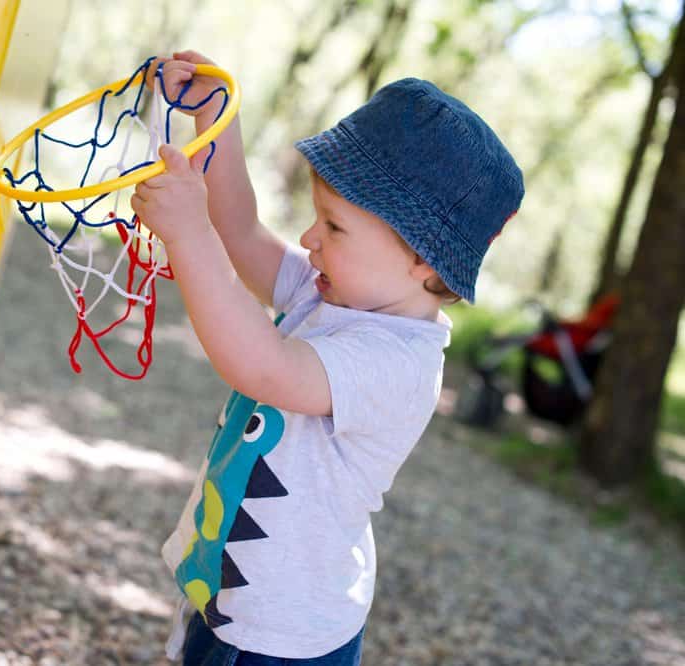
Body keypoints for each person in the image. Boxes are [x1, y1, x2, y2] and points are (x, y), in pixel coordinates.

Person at [131, 50, 524, 665]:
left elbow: (264, 366)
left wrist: (188, 235)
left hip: (283, 639)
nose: (311, 239)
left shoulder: (397, 364)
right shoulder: (331, 290)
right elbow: (239, 233)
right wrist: (218, 119)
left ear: (423, 259)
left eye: (334, 228)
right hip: (232, 596)